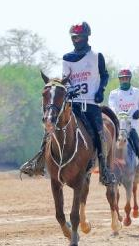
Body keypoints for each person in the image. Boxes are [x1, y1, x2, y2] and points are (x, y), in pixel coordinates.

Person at [20, 21, 115, 185]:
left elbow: (104, 75)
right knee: (51, 125)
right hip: (72, 102)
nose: (76, 39)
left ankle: (104, 170)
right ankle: (39, 161)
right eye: (74, 37)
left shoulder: (96, 56)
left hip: (91, 103)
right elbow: (66, 79)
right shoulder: (67, 58)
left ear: (86, 37)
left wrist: (100, 90)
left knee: (100, 133)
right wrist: (68, 90)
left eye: (80, 36)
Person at [108, 68, 139, 175]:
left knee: (138, 147)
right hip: (118, 126)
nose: (124, 80)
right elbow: (111, 106)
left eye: (126, 78)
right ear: (119, 80)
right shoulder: (114, 93)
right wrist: (117, 114)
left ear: (129, 79)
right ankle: (105, 172)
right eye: (122, 79)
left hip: (131, 126)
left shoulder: (137, 92)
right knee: (106, 145)